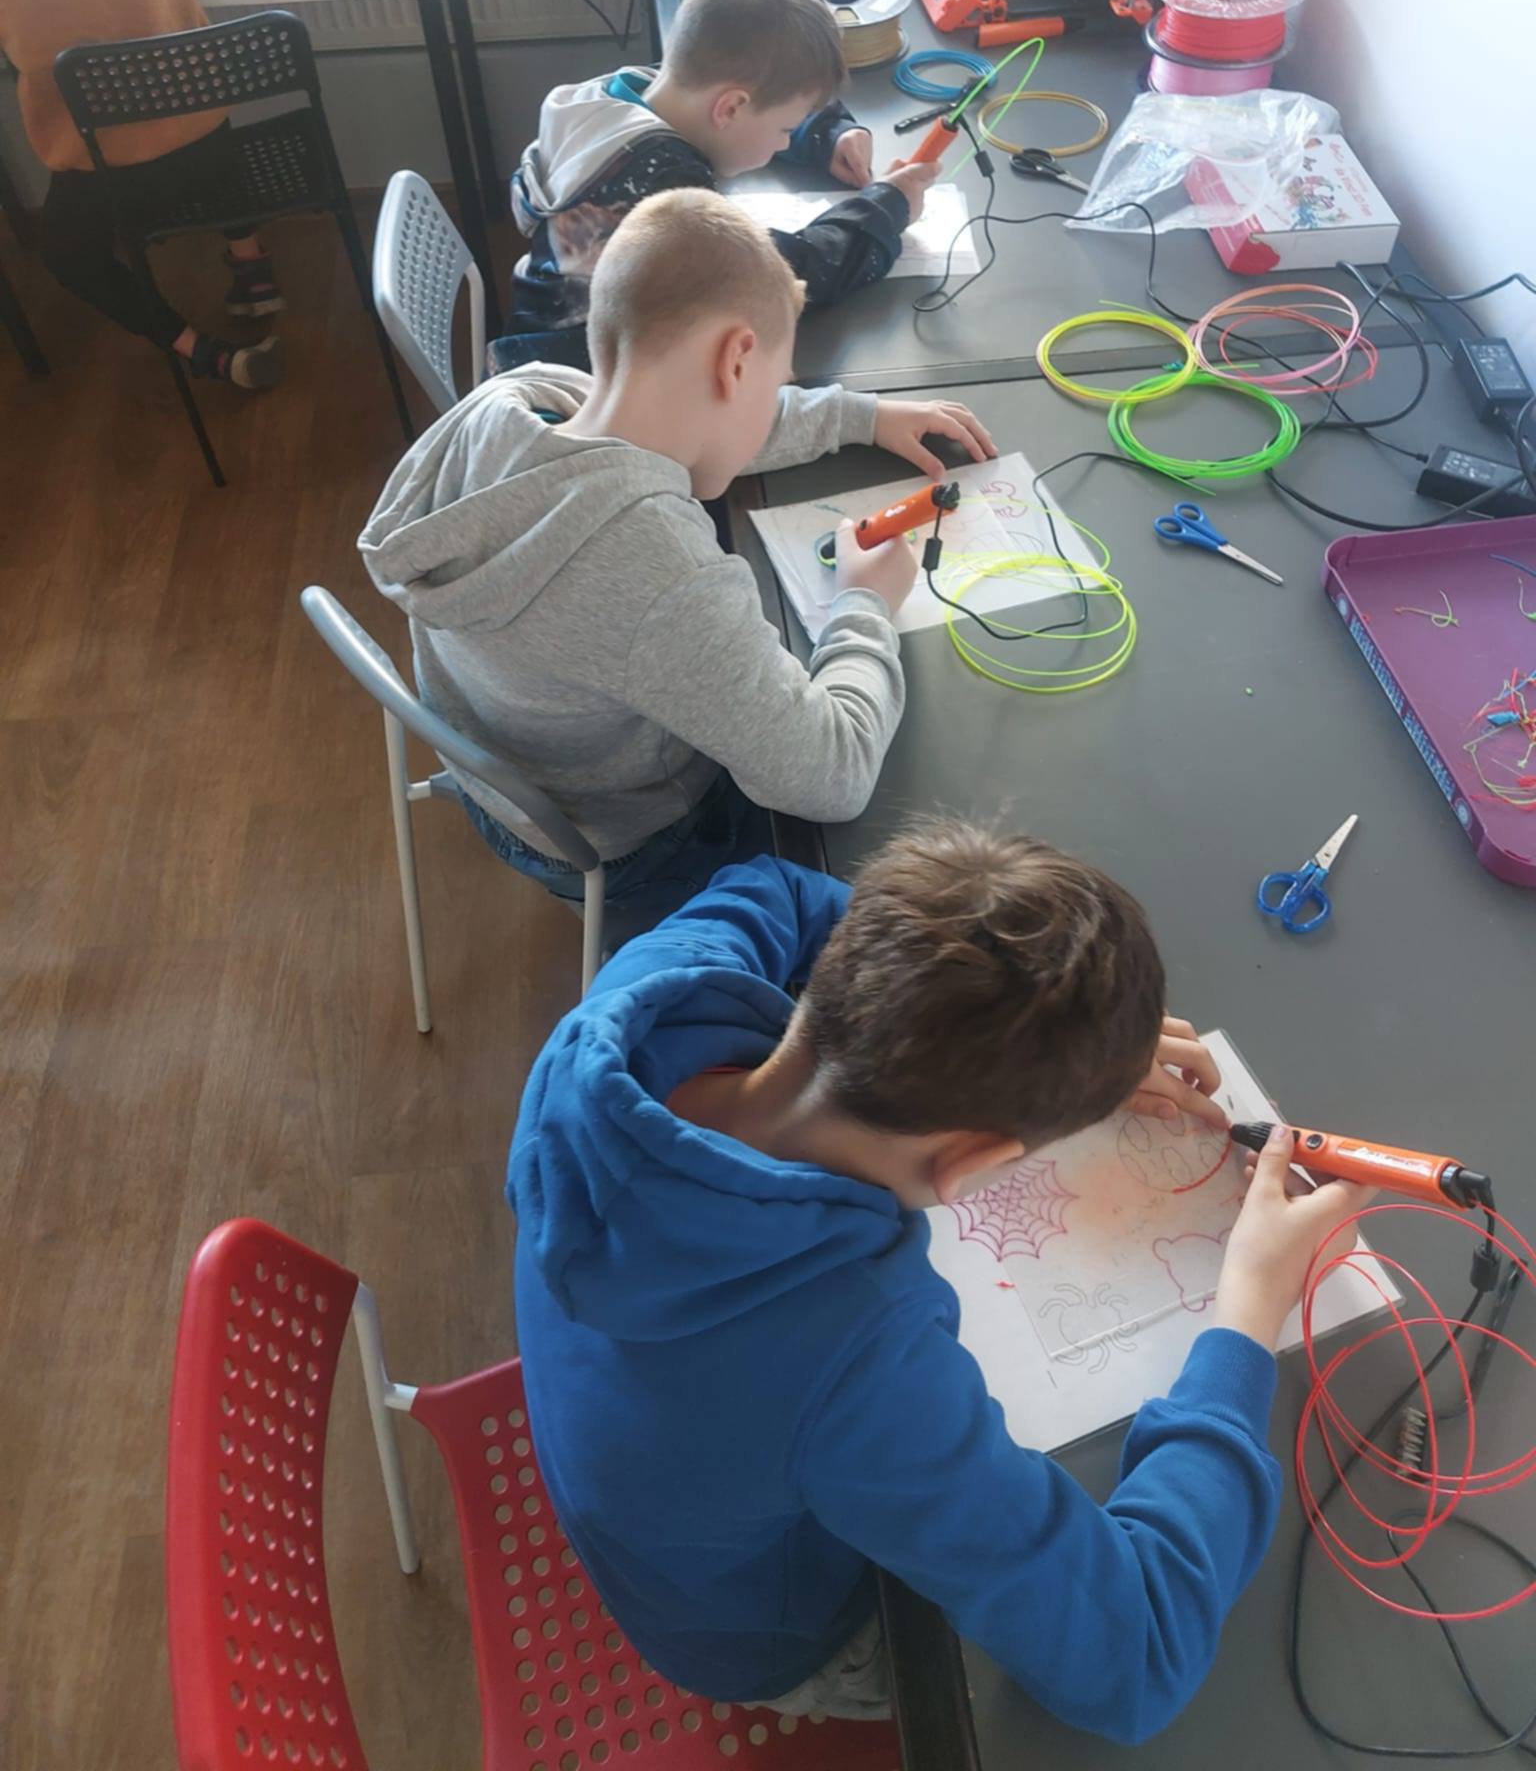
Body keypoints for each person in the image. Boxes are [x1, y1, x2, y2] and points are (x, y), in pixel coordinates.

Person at [507, 822, 1374, 1736]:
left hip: (645, 1498)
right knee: (970, 1682)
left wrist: (1014, 1050)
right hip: (762, 1634)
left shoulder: (638, 1002)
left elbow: (776, 886)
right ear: (972, 1167)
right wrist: (1249, 1311)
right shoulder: (855, 1366)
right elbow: (1138, 1657)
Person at [359, 189, 995, 910]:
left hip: (506, 783)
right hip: (636, 845)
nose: (772, 402)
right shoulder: (660, 578)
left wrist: (860, 416)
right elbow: (832, 776)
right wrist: (865, 603)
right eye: (776, 385)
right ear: (736, 360)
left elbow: (693, 419)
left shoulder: (517, 401)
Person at [490, 0, 938, 372]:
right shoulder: (664, 188)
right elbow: (777, 280)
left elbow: (754, 92)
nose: (785, 142)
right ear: (730, 108)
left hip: (530, 352)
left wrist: (827, 134)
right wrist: (885, 209)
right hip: (578, 398)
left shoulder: (624, 96)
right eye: (786, 129)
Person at [0, 0, 283, 389]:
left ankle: (200, 351)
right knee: (199, 94)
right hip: (207, 147)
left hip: (106, 178)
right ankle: (251, 263)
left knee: (65, 254)